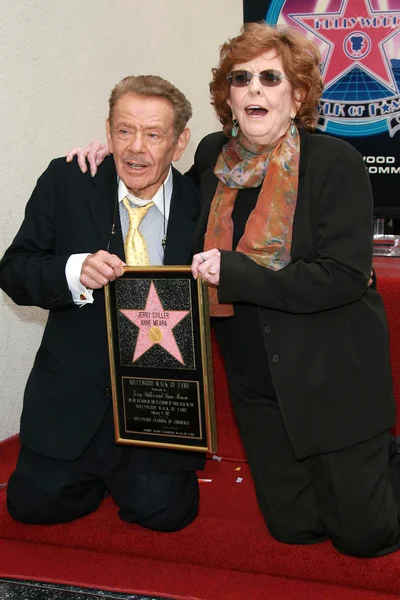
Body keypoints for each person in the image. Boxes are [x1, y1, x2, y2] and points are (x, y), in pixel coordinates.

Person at [66, 24, 396, 557]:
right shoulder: (215, 157)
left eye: (271, 77)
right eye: (241, 79)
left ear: (300, 94)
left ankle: (382, 457)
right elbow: (157, 178)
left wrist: (237, 272)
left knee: (366, 538)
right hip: (257, 385)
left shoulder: (335, 163)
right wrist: (106, 163)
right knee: (295, 531)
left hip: (332, 375)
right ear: (228, 96)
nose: (255, 89)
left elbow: (341, 275)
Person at [0, 75, 204, 531]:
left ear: (180, 141)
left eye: (153, 135)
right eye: (124, 130)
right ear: (107, 131)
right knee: (33, 509)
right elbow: (14, 269)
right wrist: (73, 272)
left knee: (166, 515)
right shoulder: (68, 180)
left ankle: (129, 477)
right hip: (72, 394)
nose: (135, 148)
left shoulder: (204, 201)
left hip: (157, 405)